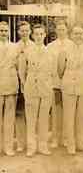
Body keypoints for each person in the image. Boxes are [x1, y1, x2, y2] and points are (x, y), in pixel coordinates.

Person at [58, 26, 83, 155]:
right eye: (75, 33)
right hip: (69, 85)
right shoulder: (64, 50)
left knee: (82, 116)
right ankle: (70, 144)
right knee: (69, 116)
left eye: (80, 33)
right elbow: (60, 70)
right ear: (71, 35)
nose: (78, 36)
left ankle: (81, 143)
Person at [22, 24, 53, 157]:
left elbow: (53, 71)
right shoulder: (27, 51)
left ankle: (43, 145)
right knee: (31, 119)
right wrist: (25, 86)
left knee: (44, 118)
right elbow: (22, 71)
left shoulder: (50, 51)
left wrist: (48, 85)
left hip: (45, 88)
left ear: (45, 35)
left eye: (41, 34)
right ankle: (31, 147)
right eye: (36, 34)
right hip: (31, 88)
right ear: (32, 36)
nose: (39, 37)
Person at [47, 20, 73, 148]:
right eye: (59, 29)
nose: (61, 32)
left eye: (63, 29)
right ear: (56, 31)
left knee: (68, 111)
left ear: (67, 30)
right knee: (56, 111)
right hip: (55, 83)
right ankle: (55, 138)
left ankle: (66, 138)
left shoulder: (72, 45)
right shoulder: (50, 46)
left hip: (69, 84)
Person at [16, 21, 35, 153]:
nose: (24, 33)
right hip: (16, 83)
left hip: (31, 85)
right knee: (19, 114)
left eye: (27, 30)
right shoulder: (14, 47)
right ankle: (20, 143)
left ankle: (31, 143)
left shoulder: (35, 46)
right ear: (18, 32)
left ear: (30, 32)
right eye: (22, 31)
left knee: (31, 115)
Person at [0, 21, 19, 156]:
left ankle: (8, 147)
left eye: (5, 31)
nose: (3, 33)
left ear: (9, 32)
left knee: (9, 118)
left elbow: (18, 67)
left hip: (11, 85)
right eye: (1, 31)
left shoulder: (14, 47)